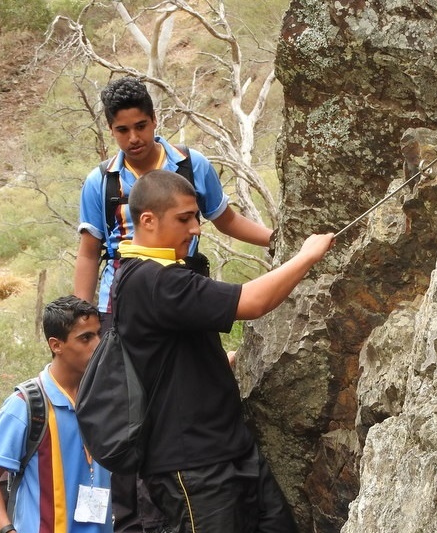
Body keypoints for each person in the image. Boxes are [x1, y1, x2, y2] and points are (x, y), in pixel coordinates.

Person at [74, 76, 273, 533]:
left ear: (155, 119)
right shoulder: (101, 182)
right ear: (111, 131)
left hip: (183, 292)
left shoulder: (190, 164)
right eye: (122, 131)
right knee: (133, 413)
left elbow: (225, 219)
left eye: (140, 126)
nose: (134, 139)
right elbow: (90, 252)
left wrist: (278, 241)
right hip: (122, 304)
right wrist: (87, 325)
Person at [114, 169, 334, 533]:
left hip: (230, 449)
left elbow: (172, 352)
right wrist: (305, 257)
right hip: (192, 466)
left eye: (197, 218)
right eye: (184, 219)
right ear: (148, 220)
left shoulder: (163, 275)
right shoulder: (153, 280)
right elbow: (252, 302)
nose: (196, 229)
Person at [0, 296, 112, 533]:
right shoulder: (26, 404)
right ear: (56, 345)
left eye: (99, 334)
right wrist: (7, 530)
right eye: (85, 338)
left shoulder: (105, 398)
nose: (97, 344)